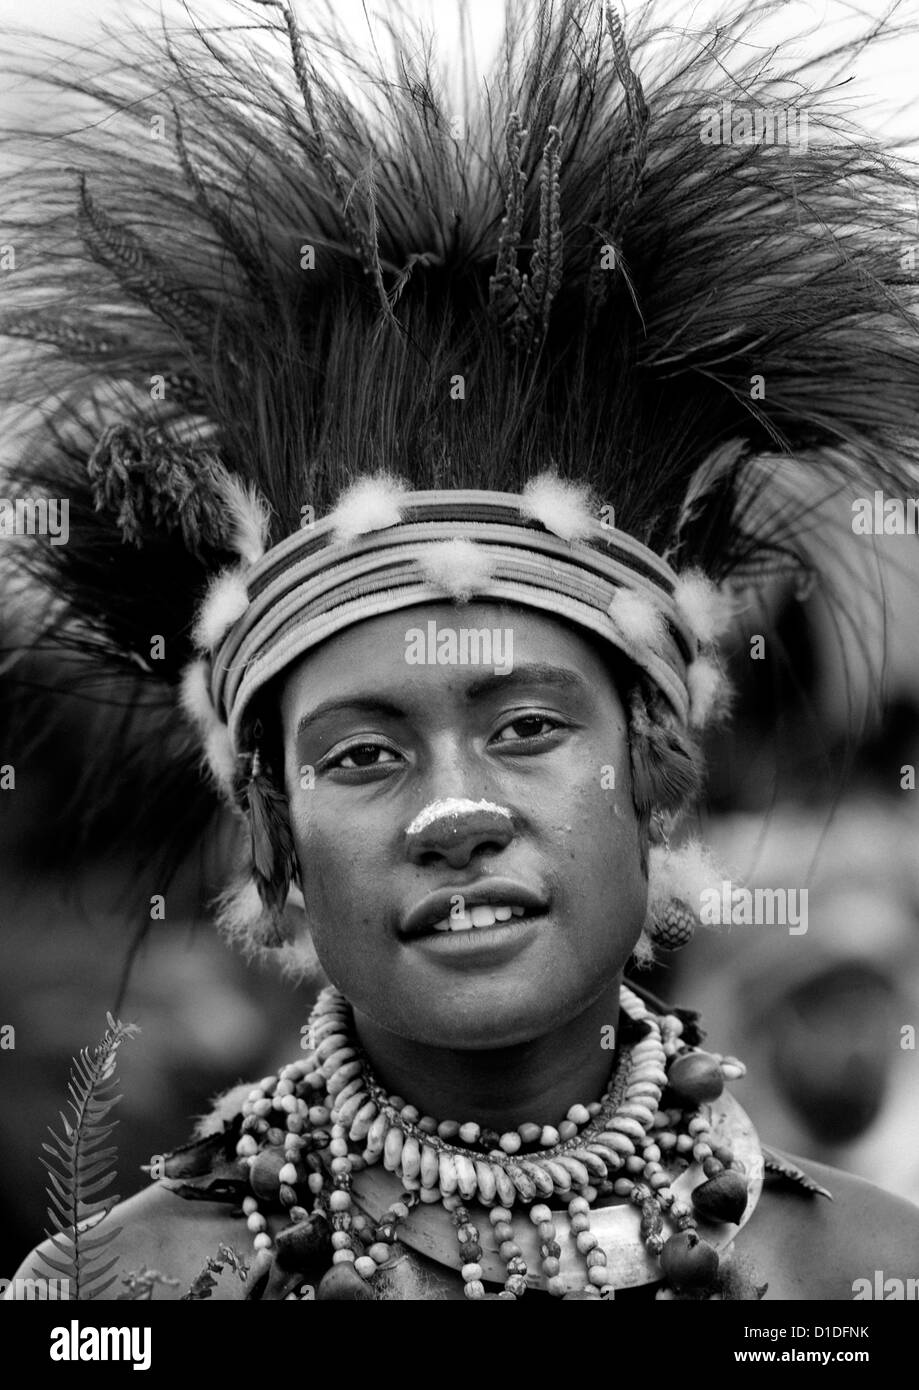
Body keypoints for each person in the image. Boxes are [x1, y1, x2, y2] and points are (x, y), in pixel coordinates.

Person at [3, 0, 919, 1300]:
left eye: (529, 726)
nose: (456, 809)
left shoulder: (866, 1276)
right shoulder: (109, 1297)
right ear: (271, 830)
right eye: (365, 750)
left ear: (655, 771)